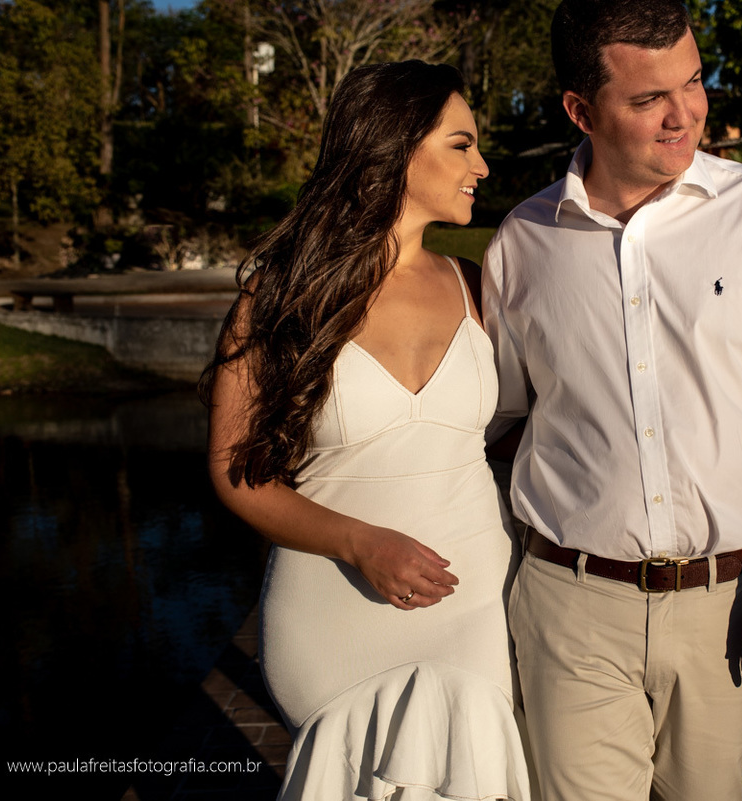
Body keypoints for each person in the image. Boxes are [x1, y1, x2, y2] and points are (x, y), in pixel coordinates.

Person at [481, 2, 742, 800]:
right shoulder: (522, 244)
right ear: (581, 111)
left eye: (693, 82)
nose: (683, 113)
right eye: (647, 98)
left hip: (724, 609)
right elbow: (497, 418)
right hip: (568, 605)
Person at [203, 61, 531, 801]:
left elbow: (509, 429)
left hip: (470, 596)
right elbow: (234, 470)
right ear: (396, 147)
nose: (481, 164)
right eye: (461, 144)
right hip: (332, 607)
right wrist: (360, 542)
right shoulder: (282, 294)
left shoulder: (474, 286)